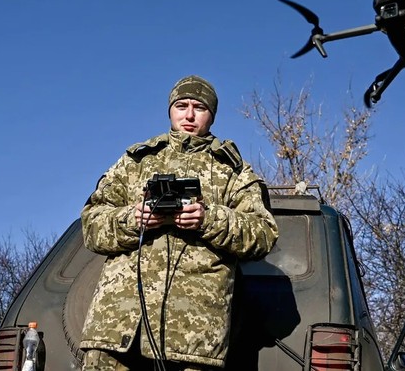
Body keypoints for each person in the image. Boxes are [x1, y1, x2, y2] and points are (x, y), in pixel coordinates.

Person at [79, 75, 279, 371]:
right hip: (116, 329)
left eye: (199, 107)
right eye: (181, 105)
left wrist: (208, 218)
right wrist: (133, 218)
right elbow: (91, 226)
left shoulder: (232, 171)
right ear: (170, 110)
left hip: (192, 338)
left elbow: (263, 233)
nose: (188, 115)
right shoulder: (136, 162)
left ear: (211, 115)